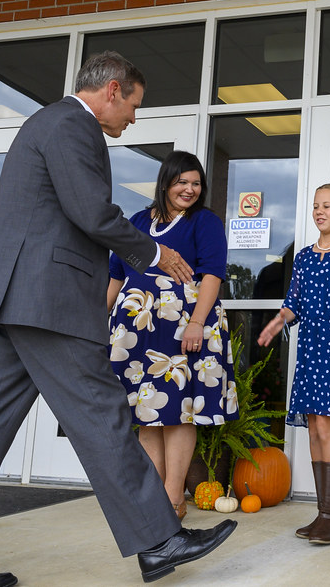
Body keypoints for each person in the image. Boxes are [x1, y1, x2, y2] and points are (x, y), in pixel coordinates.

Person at [0, 52, 235, 587]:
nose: (133, 119)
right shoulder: (70, 124)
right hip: (44, 298)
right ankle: (159, 539)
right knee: (102, 412)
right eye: (134, 105)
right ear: (112, 90)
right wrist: (154, 254)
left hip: (23, 298)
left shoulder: (55, 124)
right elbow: (89, 210)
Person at [107, 150, 237, 521]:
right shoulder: (135, 222)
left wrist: (197, 322)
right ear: (166, 182)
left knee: (178, 411)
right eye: (182, 181)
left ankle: (173, 497)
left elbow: (211, 275)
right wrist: (98, 321)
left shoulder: (205, 222)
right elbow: (116, 276)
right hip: (137, 330)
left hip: (183, 327)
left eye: (196, 183)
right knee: (148, 413)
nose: (190, 189)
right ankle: (156, 495)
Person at [257, 183, 330, 546]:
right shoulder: (304, 256)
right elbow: (294, 303)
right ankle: (322, 512)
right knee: (313, 428)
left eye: (327, 205)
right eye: (316, 206)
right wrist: (278, 322)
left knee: (328, 427)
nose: (319, 211)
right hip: (310, 352)